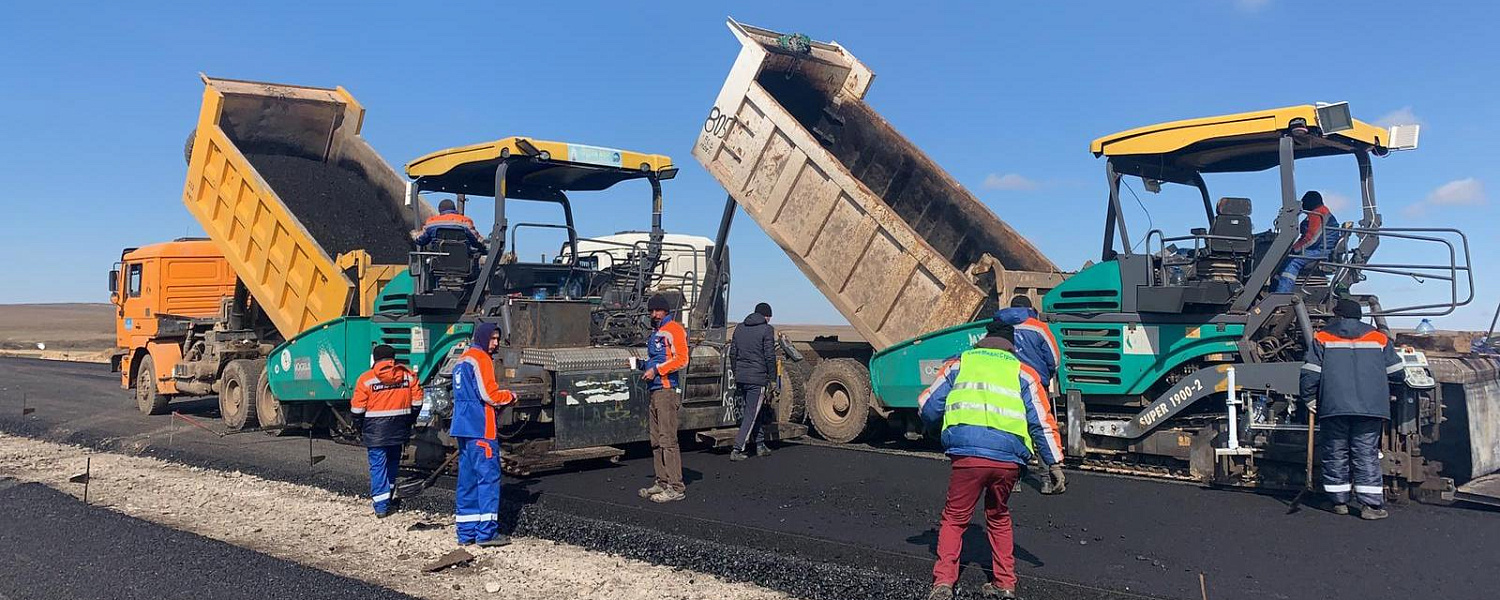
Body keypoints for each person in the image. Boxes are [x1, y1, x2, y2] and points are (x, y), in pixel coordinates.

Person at [918, 319, 1065, 600]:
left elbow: (927, 404)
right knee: (998, 517)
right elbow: (1041, 422)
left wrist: (934, 427)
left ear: (985, 339)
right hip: (1009, 461)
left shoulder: (959, 364)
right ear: (1011, 347)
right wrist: (1054, 462)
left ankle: (943, 584)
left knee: (954, 518)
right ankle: (1004, 584)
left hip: (967, 457)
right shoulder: (1024, 373)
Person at [1300, 298, 1404, 520]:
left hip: (1334, 406)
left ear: (1338, 315)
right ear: (1360, 316)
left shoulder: (1322, 337)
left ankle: (1338, 502)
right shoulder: (1378, 337)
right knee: (1365, 453)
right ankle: (1370, 507)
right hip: (1370, 408)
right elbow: (1397, 372)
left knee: (1335, 452)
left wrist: (1309, 398)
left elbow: (1310, 372)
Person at [449, 322, 517, 546]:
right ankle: (486, 533)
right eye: (493, 338)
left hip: (463, 425)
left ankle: (466, 532)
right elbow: (490, 394)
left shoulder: (463, 358)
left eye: (497, 339)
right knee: (487, 478)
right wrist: (510, 396)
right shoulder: (481, 359)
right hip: (481, 426)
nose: (496, 343)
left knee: (467, 480)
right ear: (483, 337)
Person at [350, 344, 423, 518]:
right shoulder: (408, 376)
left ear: (375, 359)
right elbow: (418, 402)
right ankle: (390, 497)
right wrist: (409, 420)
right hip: (399, 428)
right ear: (393, 358)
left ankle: (381, 506)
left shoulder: (366, 379)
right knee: (392, 463)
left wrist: (358, 426)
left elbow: (357, 409)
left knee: (377, 466)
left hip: (375, 430)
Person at [638, 293, 689, 503]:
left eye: (657, 310)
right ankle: (662, 480)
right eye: (651, 311)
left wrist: (657, 371)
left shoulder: (674, 330)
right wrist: (642, 365)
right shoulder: (656, 333)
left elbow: (682, 359)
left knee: (668, 439)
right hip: (655, 390)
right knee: (656, 439)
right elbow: (656, 359)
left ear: (665, 311)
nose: (653, 314)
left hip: (666, 391)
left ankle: (676, 486)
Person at [729, 302, 777, 461]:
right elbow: (770, 356)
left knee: (754, 411)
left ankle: (760, 444)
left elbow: (732, 354)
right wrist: (772, 378)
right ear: (767, 316)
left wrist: (737, 373)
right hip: (757, 378)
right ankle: (737, 448)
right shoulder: (767, 330)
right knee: (751, 413)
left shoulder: (739, 328)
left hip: (741, 376)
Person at [1272, 191, 1341, 293]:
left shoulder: (1317, 214)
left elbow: (1311, 239)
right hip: (1320, 248)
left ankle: (1281, 295)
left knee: (1292, 263)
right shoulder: (1320, 213)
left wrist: (1294, 249)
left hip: (1319, 250)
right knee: (1284, 261)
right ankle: (1274, 290)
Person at [994, 296, 1060, 385]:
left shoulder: (997, 327)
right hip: (1037, 382)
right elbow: (1054, 360)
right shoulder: (1040, 328)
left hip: (1007, 382)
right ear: (1030, 309)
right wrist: (1047, 375)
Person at [414, 199, 486, 252]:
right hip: (462, 262)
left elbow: (421, 240)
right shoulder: (466, 221)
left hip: (437, 263)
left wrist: (414, 235)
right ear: (454, 209)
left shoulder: (431, 222)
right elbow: (477, 241)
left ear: (440, 210)